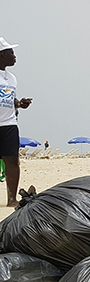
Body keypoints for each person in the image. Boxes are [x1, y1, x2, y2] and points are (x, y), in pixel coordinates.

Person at [0, 37, 32, 207]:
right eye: (10, 52)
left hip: (9, 124)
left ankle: (12, 199)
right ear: (1, 55)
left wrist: (20, 104)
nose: (14, 56)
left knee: (12, 161)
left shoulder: (11, 78)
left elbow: (10, 98)